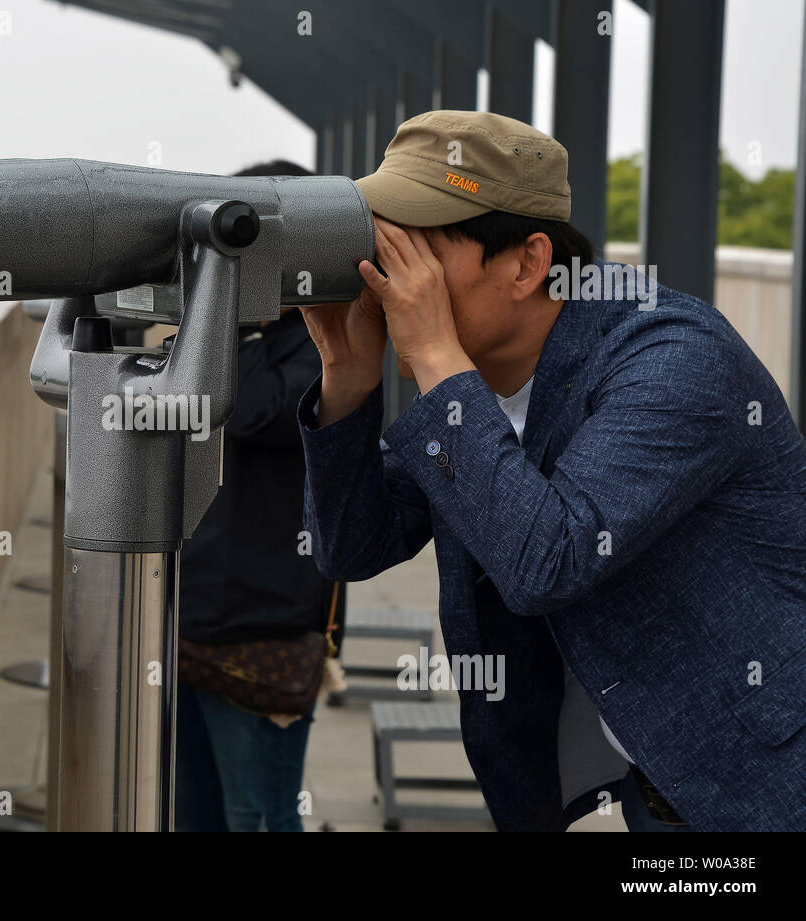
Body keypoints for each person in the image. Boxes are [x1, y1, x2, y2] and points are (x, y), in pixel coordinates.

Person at [298, 110, 806, 832]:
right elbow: (353, 545)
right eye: (382, 246)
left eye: (416, 253)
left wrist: (438, 362)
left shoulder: (672, 359)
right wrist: (347, 375)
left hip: (751, 786)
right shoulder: (480, 381)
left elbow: (548, 560)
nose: (390, 280)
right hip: (622, 788)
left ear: (529, 263)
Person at [175, 160, 341, 833]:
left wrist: (232, 317)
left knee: (260, 816)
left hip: (263, 626)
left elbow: (253, 412)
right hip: (189, 618)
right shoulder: (226, 331)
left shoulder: (327, 336)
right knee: (193, 812)